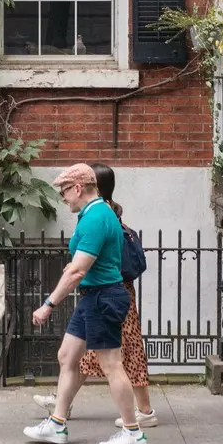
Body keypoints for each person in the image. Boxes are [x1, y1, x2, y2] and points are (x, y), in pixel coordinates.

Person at [22, 162, 147, 444]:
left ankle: (133, 432)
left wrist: (48, 304)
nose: (63, 197)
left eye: (64, 191)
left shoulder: (94, 218)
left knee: (112, 364)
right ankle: (57, 424)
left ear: (78, 188)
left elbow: (77, 272)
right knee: (67, 356)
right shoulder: (96, 213)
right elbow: (87, 262)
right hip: (95, 295)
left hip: (103, 297)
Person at [78, 164, 156, 429]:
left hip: (111, 289)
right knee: (85, 351)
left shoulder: (102, 212)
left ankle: (144, 410)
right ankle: (60, 402)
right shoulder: (109, 210)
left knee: (122, 350)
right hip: (117, 289)